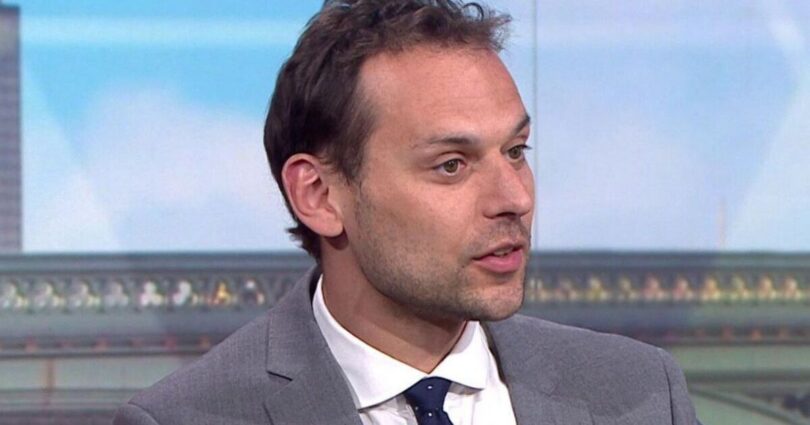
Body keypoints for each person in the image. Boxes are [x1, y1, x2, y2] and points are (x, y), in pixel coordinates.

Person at [114, 1, 701, 424]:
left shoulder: (643, 394)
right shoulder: (188, 418)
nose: (515, 199)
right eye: (451, 165)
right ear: (319, 195)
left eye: (516, 152)